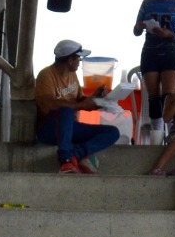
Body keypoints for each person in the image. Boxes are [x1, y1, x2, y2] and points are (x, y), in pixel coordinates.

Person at [34, 40, 120, 175]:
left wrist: (95, 98)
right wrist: (82, 105)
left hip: (71, 128)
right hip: (49, 129)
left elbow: (79, 99)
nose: (79, 61)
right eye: (78, 58)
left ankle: (76, 155)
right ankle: (65, 160)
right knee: (66, 111)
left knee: (112, 132)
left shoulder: (72, 75)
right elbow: (48, 104)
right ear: (70, 60)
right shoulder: (46, 75)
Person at [131, 0, 175, 145]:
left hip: (170, 52)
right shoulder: (147, 3)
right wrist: (140, 26)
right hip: (150, 52)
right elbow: (135, 31)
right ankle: (157, 138)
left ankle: (172, 135)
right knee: (153, 97)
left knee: (169, 96)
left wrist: (170, 34)